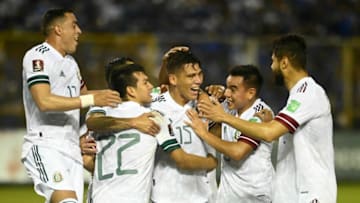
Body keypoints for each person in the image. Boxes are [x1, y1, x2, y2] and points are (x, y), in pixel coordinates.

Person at [193, 34, 337, 203]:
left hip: (312, 192)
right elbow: (282, 136)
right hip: (293, 192)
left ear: (284, 63)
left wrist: (222, 116)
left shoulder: (308, 93)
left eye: (273, 61)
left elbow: (269, 133)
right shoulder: (297, 96)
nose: (271, 67)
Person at [21, 8, 121, 203]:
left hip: (72, 149)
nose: (79, 31)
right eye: (74, 25)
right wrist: (93, 99)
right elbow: (44, 101)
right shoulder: (38, 56)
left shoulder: (71, 63)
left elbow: (83, 95)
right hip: (45, 145)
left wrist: (120, 97)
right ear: (58, 29)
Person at [85, 57, 217, 203]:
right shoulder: (153, 117)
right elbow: (183, 160)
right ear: (130, 90)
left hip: (99, 197)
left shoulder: (102, 110)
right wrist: (212, 162)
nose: (150, 86)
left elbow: (91, 129)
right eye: (145, 82)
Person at [186, 65, 275, 203]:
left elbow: (238, 152)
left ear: (250, 93)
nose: (227, 93)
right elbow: (218, 137)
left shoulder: (261, 114)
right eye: (227, 88)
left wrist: (203, 132)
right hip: (229, 195)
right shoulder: (230, 109)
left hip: (254, 197)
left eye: (233, 89)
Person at [150, 50, 217, 203]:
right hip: (165, 196)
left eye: (200, 74)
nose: (198, 80)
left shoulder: (208, 106)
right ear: (173, 79)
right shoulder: (153, 105)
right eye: (191, 76)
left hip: (201, 196)